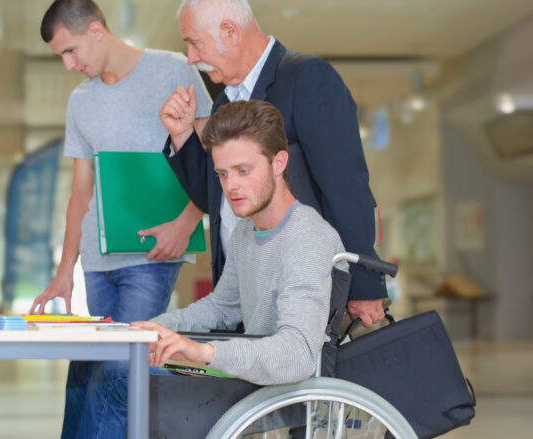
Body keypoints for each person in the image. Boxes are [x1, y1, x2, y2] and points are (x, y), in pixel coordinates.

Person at [74, 99, 346, 438]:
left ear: (279, 163)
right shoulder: (247, 231)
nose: (230, 186)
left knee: (117, 377)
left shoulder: (307, 237)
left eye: (243, 171)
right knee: (107, 368)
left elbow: (297, 354)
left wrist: (204, 353)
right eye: (222, 173)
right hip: (243, 376)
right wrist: (152, 327)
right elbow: (221, 307)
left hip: (276, 387)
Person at [26, 1, 212, 437]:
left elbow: (210, 159)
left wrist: (187, 224)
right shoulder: (81, 102)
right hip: (97, 261)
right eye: (61, 58)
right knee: (88, 368)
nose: (70, 65)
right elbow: (80, 192)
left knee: (119, 372)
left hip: (152, 255)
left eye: (71, 51)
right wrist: (63, 270)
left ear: (95, 31)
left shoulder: (175, 71)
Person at [158, 0, 388, 329]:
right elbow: (211, 199)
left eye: (194, 43)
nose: (191, 58)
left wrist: (363, 284)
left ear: (229, 31)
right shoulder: (225, 103)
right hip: (243, 294)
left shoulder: (307, 79)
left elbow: (346, 187)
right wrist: (181, 135)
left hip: (300, 292)